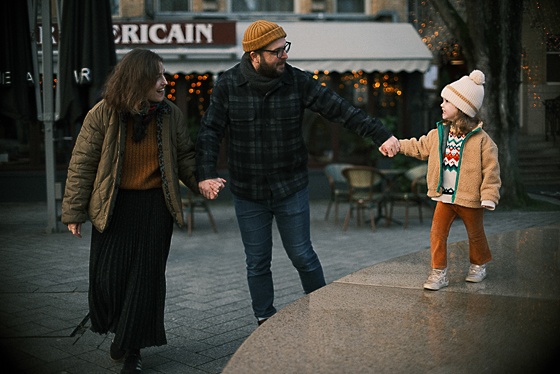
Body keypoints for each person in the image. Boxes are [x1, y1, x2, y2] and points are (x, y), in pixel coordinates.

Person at [196, 20, 400, 325]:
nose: (285, 56)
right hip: (249, 192)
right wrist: (205, 173)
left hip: (290, 187)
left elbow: (340, 109)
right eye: (277, 51)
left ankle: (323, 313)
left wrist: (380, 134)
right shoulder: (228, 85)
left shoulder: (297, 82)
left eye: (285, 48)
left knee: (303, 256)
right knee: (257, 262)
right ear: (254, 55)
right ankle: (264, 320)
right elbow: (210, 130)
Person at [61, 48, 198, 373]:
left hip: (154, 209)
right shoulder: (103, 113)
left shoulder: (170, 115)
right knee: (108, 279)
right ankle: (119, 330)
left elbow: (185, 158)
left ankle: (131, 349)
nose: (165, 82)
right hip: (114, 206)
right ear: (138, 79)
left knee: (145, 282)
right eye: (158, 76)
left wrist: (201, 182)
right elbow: (82, 164)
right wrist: (73, 211)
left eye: (165, 75)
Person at [398, 70, 501, 291]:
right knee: (437, 233)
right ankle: (438, 272)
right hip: (444, 196)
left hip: (470, 198)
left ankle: (478, 264)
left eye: (447, 101)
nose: (442, 105)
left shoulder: (483, 141)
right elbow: (418, 146)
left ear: (462, 108)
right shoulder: (439, 134)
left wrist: (489, 196)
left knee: (475, 234)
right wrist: (397, 145)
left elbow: (491, 170)